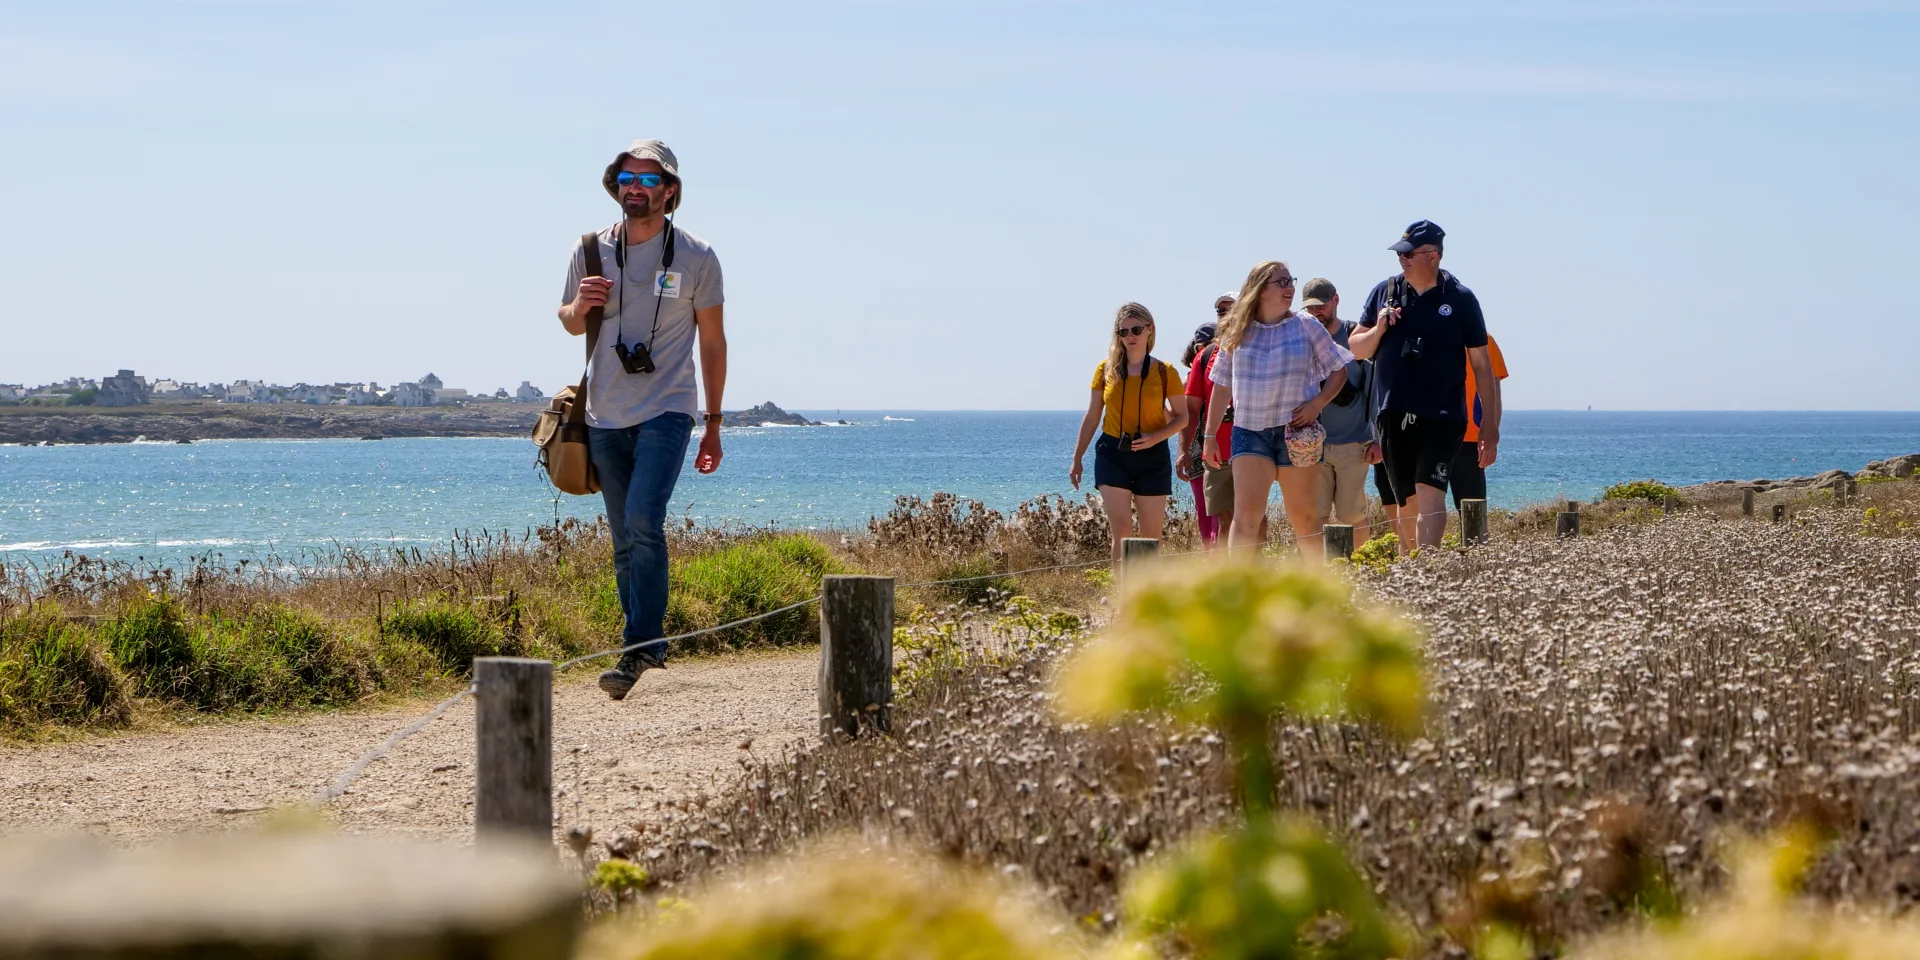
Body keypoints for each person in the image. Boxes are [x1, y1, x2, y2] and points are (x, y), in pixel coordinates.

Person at [558, 139, 728, 701]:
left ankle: (639, 647)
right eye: (627, 178)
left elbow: (713, 341)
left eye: (650, 180)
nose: (636, 187)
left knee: (643, 519)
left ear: (670, 191)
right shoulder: (590, 250)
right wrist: (580, 306)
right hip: (604, 411)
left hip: (668, 409)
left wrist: (713, 423)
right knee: (623, 536)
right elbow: (568, 323)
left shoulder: (697, 257)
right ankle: (642, 645)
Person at [1348, 220, 1500, 554]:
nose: (1401, 259)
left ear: (1432, 256)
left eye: (1408, 253)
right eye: (1399, 253)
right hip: (1393, 413)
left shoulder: (1460, 299)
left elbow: (1482, 366)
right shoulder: (1383, 293)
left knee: (1431, 494)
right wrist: (1380, 328)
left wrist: (1490, 424)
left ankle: (1427, 568)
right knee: (1407, 503)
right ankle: (1410, 570)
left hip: (1443, 415)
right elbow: (1357, 348)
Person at [1201, 262, 1351, 554]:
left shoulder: (1307, 325)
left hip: (1298, 434)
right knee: (1245, 519)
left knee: (1305, 519)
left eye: (1290, 281)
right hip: (1249, 433)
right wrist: (1209, 436)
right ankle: (1239, 596)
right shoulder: (1238, 331)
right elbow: (1221, 386)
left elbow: (1339, 370)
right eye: (1282, 282)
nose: (1290, 288)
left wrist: (1316, 403)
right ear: (1259, 290)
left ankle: (1317, 594)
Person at [1070, 303, 1190, 565]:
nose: (1130, 336)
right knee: (1122, 531)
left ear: (1149, 330)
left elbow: (1182, 418)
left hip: (1153, 456)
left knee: (1148, 538)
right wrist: (1077, 457)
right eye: (1123, 332)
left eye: (1136, 329)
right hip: (1112, 453)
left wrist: (1155, 438)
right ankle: (1122, 599)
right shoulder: (1105, 369)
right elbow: (1092, 415)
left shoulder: (1164, 371)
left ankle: (1142, 599)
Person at [1298, 279, 1376, 545]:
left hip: (1353, 443)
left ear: (1335, 300)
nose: (1316, 312)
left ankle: (1360, 568)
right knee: (1316, 515)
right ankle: (1324, 573)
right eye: (1310, 308)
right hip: (1312, 445)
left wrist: (1377, 439)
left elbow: (1374, 390)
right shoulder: (1301, 338)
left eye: (1321, 305)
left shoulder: (1355, 336)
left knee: (1351, 515)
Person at [1177, 292, 1238, 549]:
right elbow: (1189, 410)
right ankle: (1225, 578)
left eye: (1230, 309)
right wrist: (1183, 451)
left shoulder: (1262, 345)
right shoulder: (1206, 357)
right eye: (1220, 311)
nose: (1225, 315)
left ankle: (1253, 578)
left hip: (1255, 447)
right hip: (1216, 450)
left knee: (1252, 517)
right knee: (1222, 519)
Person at [1450, 333, 1509, 507]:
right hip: (1429, 437)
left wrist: (1491, 440)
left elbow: (1495, 394)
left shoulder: (1484, 340)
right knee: (1424, 507)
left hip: (1471, 439)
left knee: (1473, 510)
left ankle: (1472, 537)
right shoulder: (1427, 335)